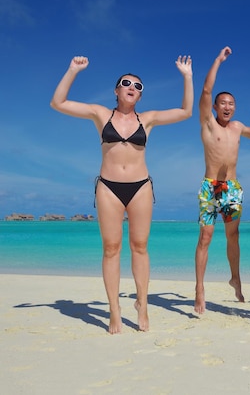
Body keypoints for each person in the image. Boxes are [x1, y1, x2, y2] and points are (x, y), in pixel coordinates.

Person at [50, 55, 194, 334]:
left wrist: (187, 76)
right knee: (111, 248)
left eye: (137, 86)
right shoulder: (100, 114)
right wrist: (72, 70)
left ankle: (142, 304)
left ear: (140, 95)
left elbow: (186, 111)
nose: (131, 87)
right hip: (108, 187)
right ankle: (114, 311)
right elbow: (58, 103)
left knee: (140, 247)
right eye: (125, 83)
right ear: (116, 91)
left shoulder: (148, 119)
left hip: (140, 187)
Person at [194, 47, 250, 314]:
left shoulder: (237, 127)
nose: (227, 107)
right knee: (205, 237)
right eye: (223, 103)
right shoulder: (208, 123)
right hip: (210, 188)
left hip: (231, 189)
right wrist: (218, 60)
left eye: (231, 103)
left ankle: (235, 277)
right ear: (215, 107)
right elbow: (205, 91)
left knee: (233, 236)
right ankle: (199, 288)